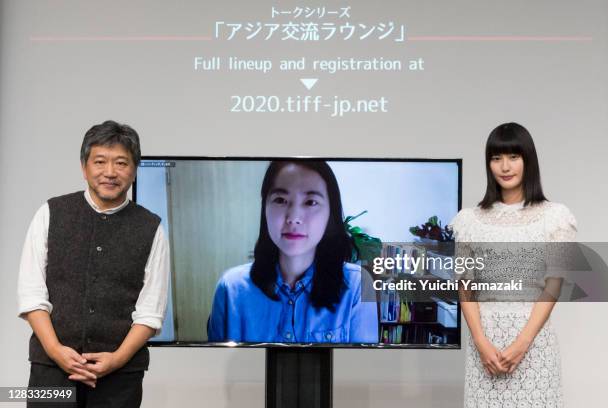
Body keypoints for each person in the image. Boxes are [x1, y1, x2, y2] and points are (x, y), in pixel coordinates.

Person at [17, 120, 170, 407]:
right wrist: (56, 351)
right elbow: (31, 295)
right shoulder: (50, 213)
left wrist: (117, 360)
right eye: (100, 161)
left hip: (120, 377)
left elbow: (151, 311)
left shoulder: (151, 227)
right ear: (84, 167)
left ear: (134, 169)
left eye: (121, 163)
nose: (110, 172)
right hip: (50, 371)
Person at [451, 122, 576, 407]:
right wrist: (481, 344)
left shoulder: (555, 217)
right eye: (496, 158)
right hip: (485, 348)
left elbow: (553, 286)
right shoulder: (469, 220)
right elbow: (465, 287)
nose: (505, 166)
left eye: (513, 157)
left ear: (527, 160)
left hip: (534, 347)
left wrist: (521, 345)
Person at [207, 160, 378, 343]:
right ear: (265, 208)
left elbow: (361, 369)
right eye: (280, 200)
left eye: (311, 202)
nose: (294, 218)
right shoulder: (230, 289)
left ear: (330, 213)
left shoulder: (357, 285)